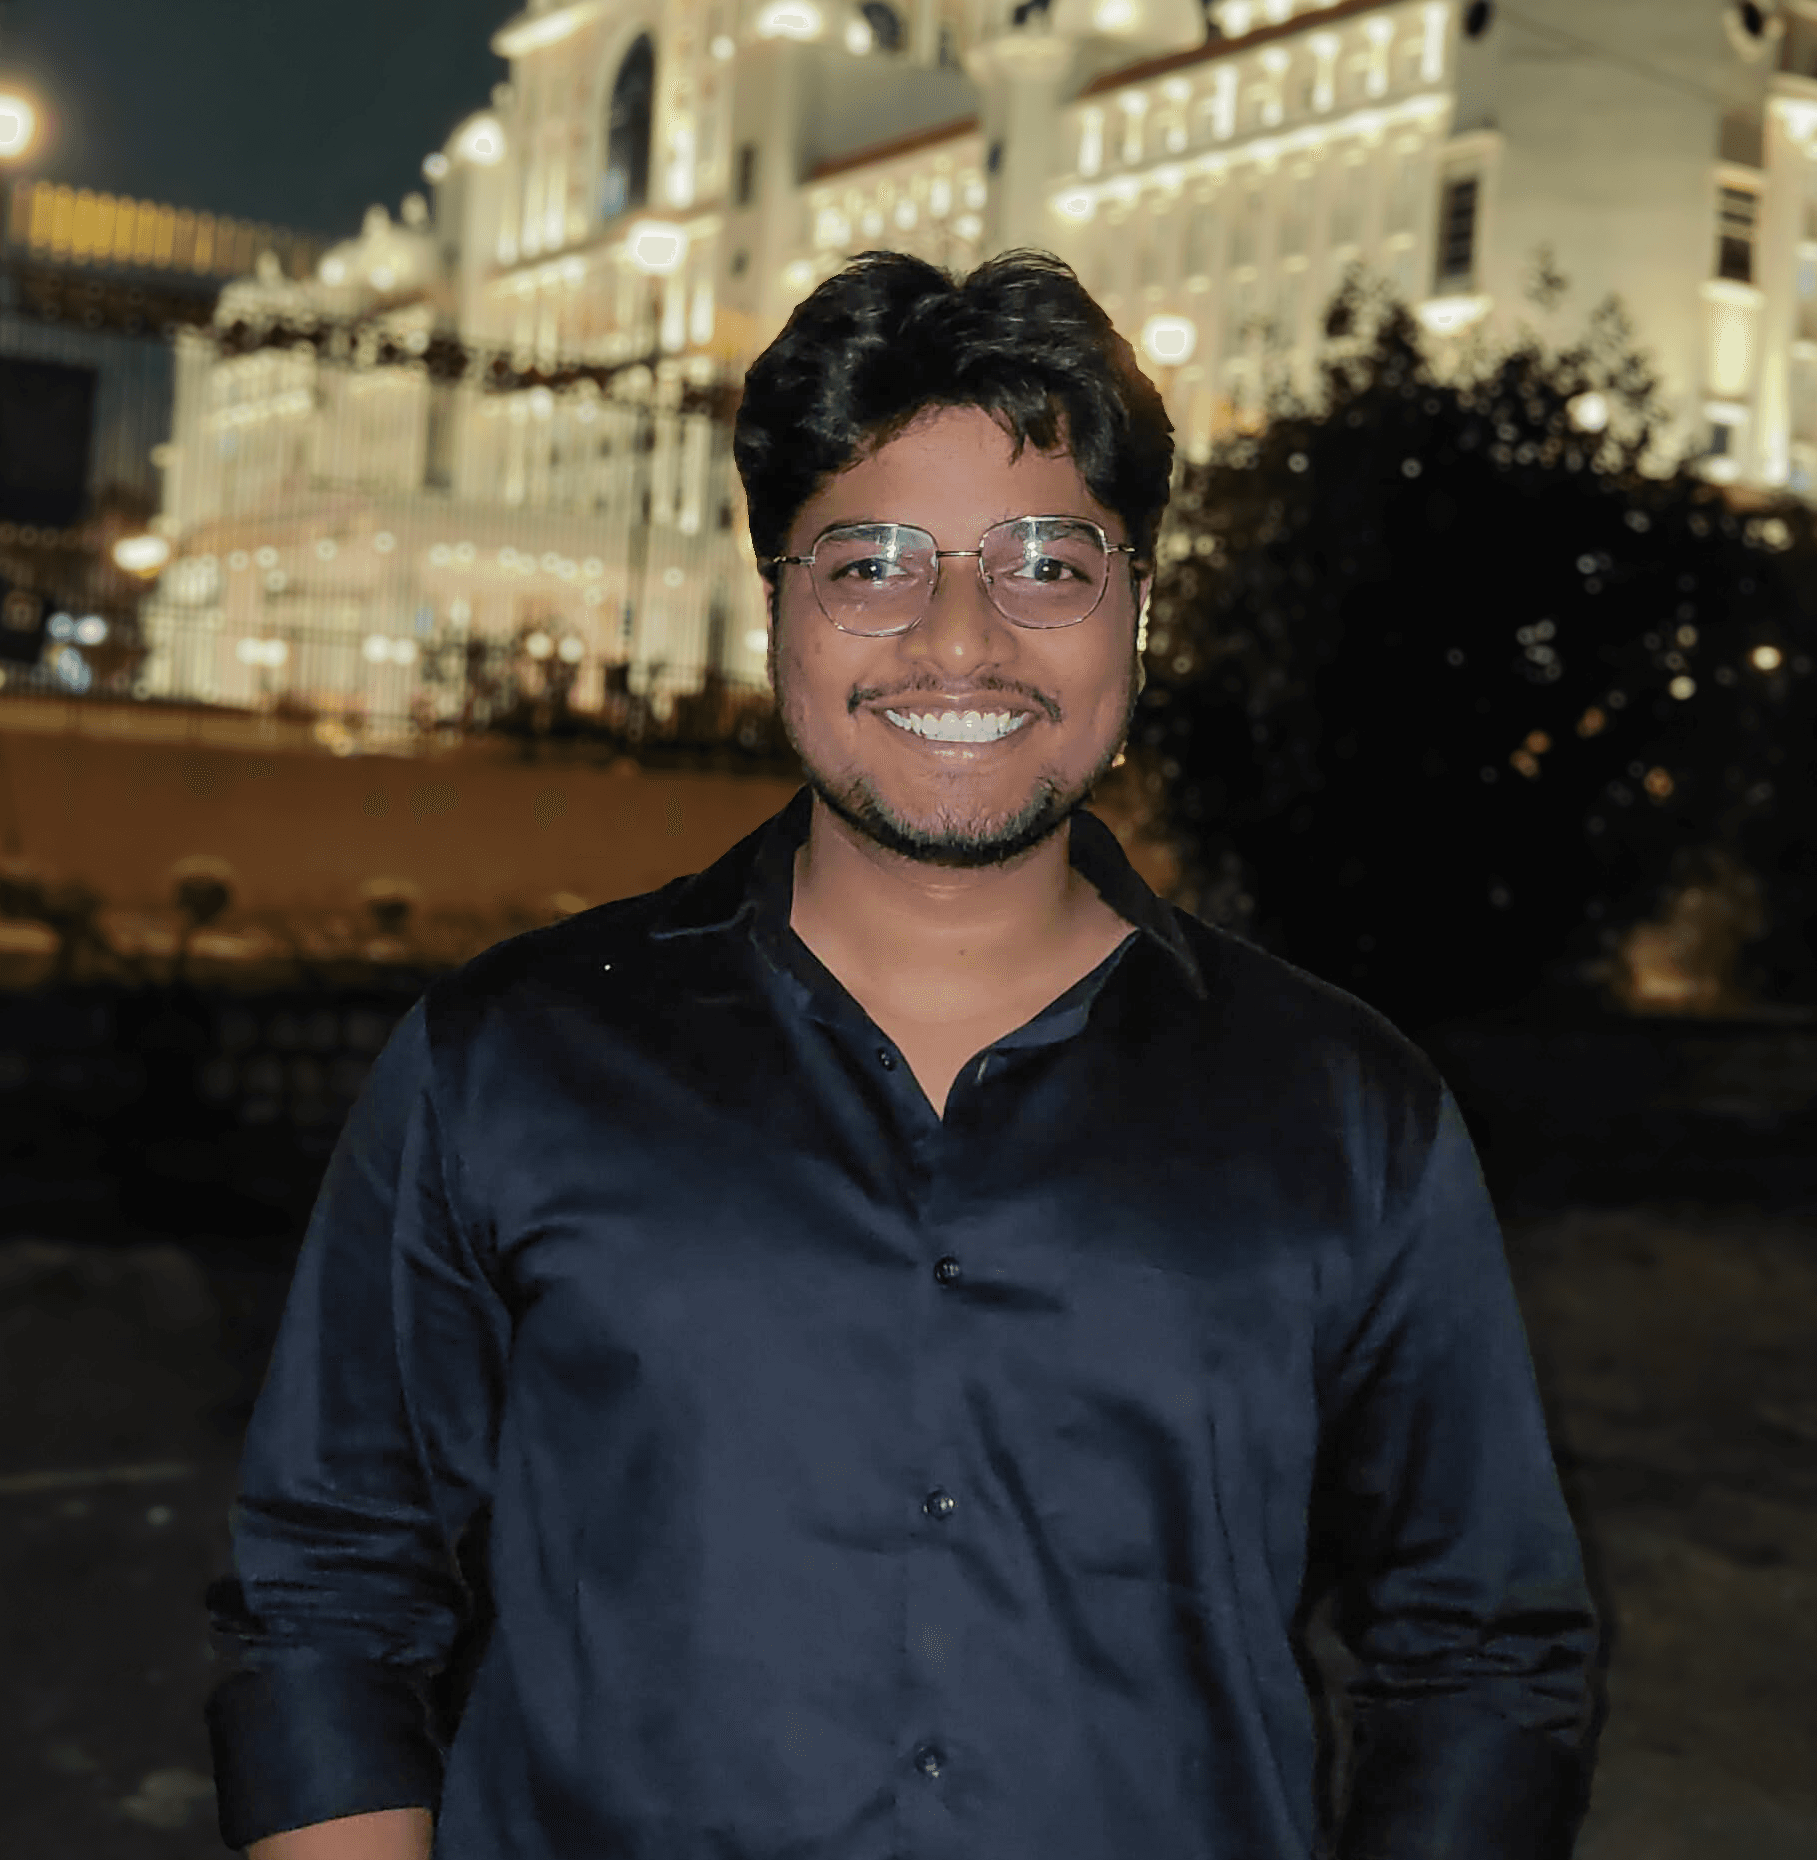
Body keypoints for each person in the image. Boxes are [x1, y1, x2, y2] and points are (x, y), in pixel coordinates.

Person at [205, 251, 1601, 1859]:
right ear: (775, 610)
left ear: (1140, 607)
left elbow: (1485, 1653)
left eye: (1046, 563)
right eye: (870, 562)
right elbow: (324, 1593)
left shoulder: (1347, 1111)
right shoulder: (507, 1060)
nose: (958, 638)